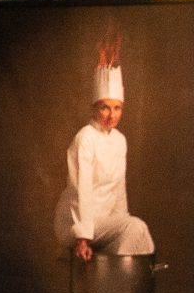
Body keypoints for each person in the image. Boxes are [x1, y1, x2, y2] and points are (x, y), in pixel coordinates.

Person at [54, 38, 154, 261]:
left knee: (133, 231)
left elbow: (119, 190)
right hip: (76, 222)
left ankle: (118, 286)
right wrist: (82, 238)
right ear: (94, 108)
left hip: (104, 223)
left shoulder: (120, 140)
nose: (112, 115)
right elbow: (82, 191)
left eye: (117, 108)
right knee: (136, 227)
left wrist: (120, 219)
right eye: (105, 108)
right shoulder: (85, 138)